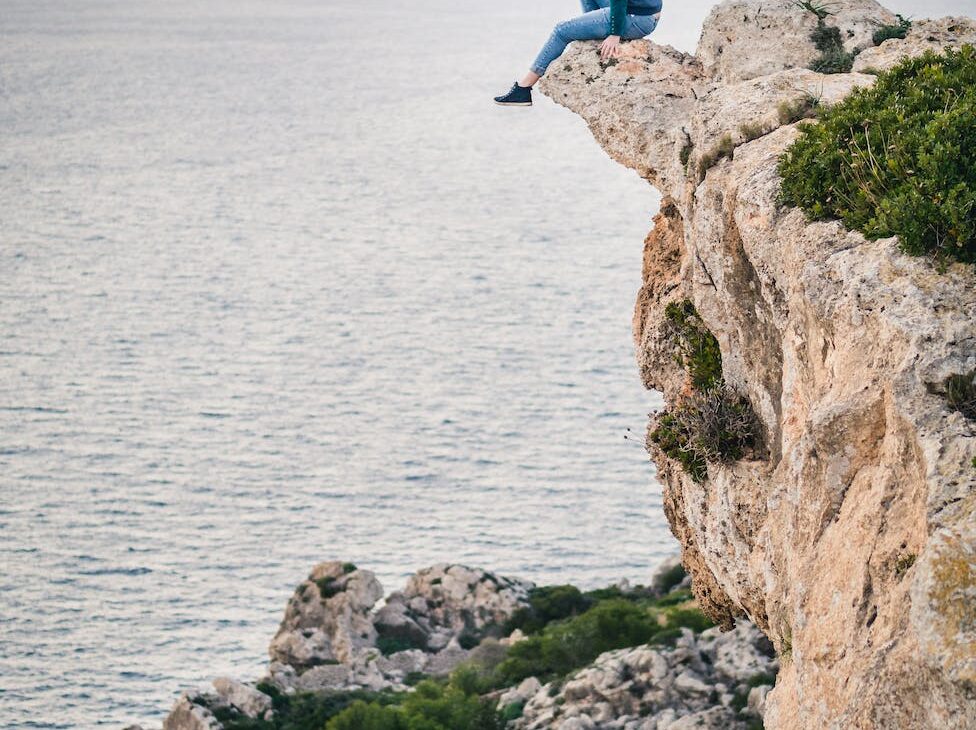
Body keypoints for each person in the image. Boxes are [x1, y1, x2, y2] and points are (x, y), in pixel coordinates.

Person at [495, 0, 663, 107]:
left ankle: (524, 89)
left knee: (561, 31)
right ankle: (592, 30)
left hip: (635, 18)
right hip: (641, 13)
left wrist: (614, 34)